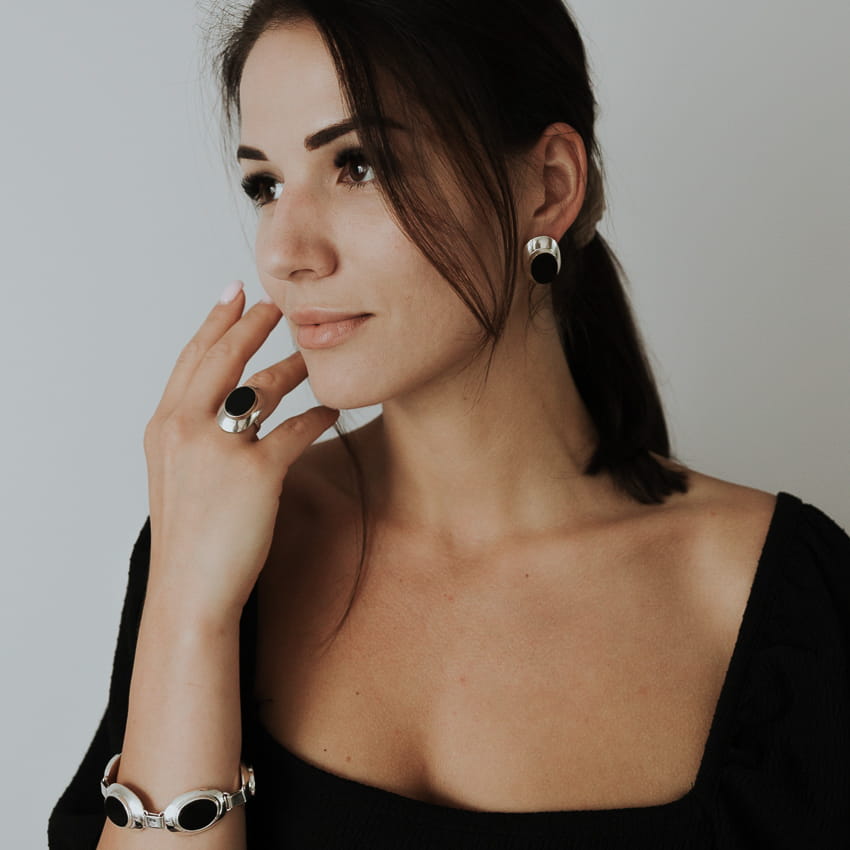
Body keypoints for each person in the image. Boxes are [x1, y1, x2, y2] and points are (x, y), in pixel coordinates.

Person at [49, 1, 850, 847]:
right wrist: (188, 608)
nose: (285, 252)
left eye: (358, 165)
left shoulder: (784, 600)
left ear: (549, 187)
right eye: (265, 186)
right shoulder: (228, 538)